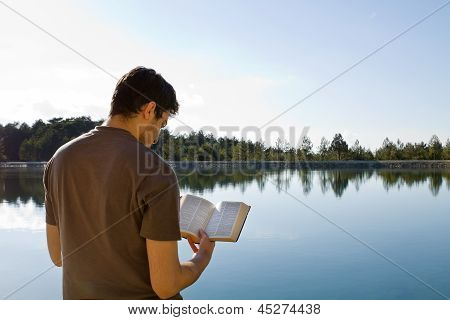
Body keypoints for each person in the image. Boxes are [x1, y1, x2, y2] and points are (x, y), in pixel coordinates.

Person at [43, 66, 215, 299]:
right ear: (150, 109)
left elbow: (58, 255)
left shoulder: (59, 159)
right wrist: (202, 257)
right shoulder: (155, 170)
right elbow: (166, 285)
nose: (156, 136)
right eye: (161, 124)